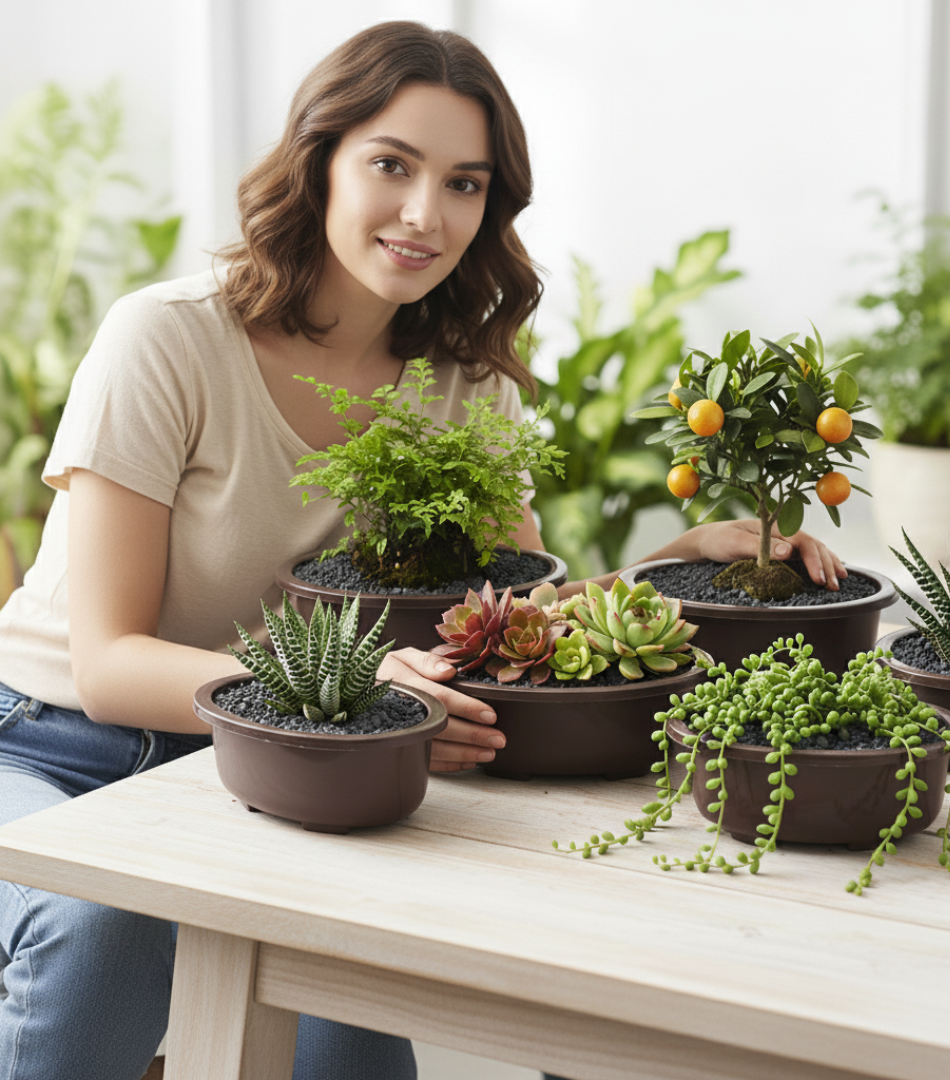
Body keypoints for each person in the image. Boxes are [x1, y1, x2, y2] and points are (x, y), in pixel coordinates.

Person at [0, 20, 845, 1080]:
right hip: (54, 745)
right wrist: (353, 689)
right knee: (103, 927)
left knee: (358, 1028)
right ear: (318, 163)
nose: (423, 214)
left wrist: (675, 565)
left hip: (284, 766)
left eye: (464, 183)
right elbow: (108, 663)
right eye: (390, 165)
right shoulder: (166, 339)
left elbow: (511, 614)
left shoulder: (463, 381)